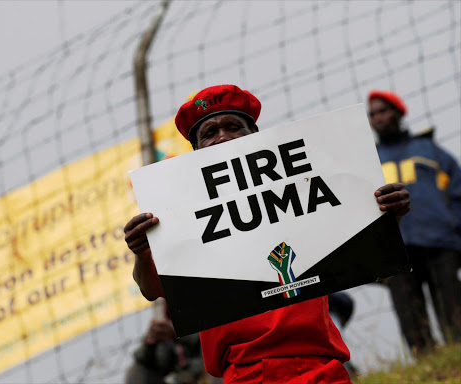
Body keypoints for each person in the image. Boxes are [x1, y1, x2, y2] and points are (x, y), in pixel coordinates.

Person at [125, 85, 411, 383]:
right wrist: (142, 252)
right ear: (195, 152)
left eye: (233, 127)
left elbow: (367, 254)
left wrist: (389, 216)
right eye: (209, 133)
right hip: (245, 373)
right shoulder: (181, 220)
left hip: (323, 366)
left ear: (255, 135)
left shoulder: (303, 191)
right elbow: (151, 288)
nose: (222, 137)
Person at [368, 90, 461, 353]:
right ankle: (427, 367)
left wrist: (455, 230)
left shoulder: (431, 151)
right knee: (410, 316)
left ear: (398, 113)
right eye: (372, 114)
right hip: (395, 250)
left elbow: (458, 193)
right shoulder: (368, 158)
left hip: (440, 243)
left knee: (453, 309)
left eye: (383, 111)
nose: (378, 118)